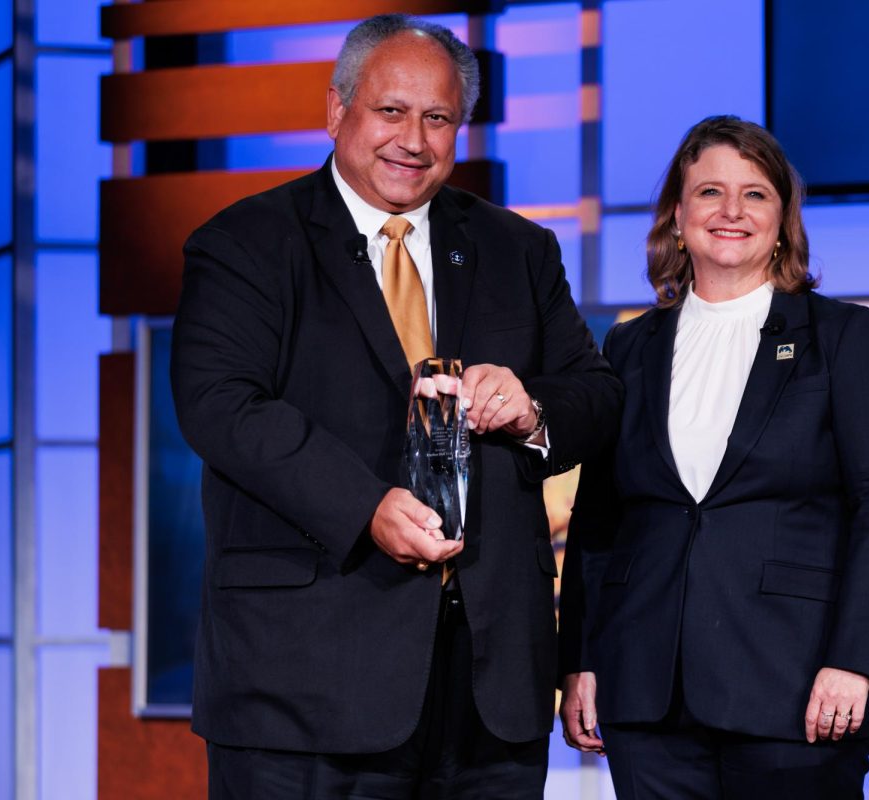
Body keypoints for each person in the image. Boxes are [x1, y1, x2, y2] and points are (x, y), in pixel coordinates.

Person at [171, 14, 622, 799]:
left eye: (438, 117)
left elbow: (598, 396)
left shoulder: (518, 249)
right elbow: (220, 405)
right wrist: (365, 506)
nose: (413, 138)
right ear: (337, 109)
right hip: (304, 688)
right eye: (391, 111)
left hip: (488, 692)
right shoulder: (246, 243)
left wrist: (531, 409)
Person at [557, 115, 869, 799]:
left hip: (795, 689)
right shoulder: (629, 348)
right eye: (709, 192)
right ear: (677, 213)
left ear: (783, 218)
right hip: (646, 693)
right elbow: (600, 517)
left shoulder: (844, 337)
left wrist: (855, 662)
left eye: (755, 194)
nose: (731, 212)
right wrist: (581, 658)